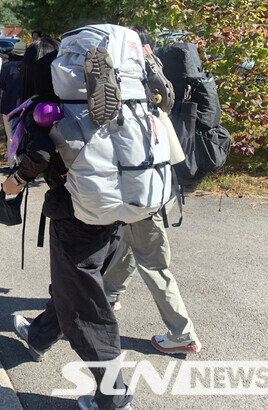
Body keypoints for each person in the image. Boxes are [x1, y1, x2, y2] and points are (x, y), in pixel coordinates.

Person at [5, 36, 133, 410]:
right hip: (116, 212)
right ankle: (40, 336)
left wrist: (13, 182)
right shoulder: (99, 102)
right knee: (74, 288)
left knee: (87, 311)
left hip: (76, 219)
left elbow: (39, 155)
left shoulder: (48, 109)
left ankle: (114, 396)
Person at [102, 25, 201, 355]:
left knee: (154, 261)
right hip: (161, 174)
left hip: (140, 184)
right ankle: (109, 294)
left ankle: (182, 332)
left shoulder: (124, 78)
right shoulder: (153, 72)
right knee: (134, 241)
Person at [0, 41, 26, 162]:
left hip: (8, 104)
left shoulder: (6, 66)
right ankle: (21, 161)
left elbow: (2, 84)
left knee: (10, 136)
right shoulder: (28, 66)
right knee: (22, 135)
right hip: (24, 105)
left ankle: (11, 162)